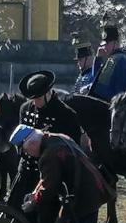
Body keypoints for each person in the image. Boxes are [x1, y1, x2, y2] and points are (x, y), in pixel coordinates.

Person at [6, 70, 82, 210]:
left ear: (48, 93)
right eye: (32, 99)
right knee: (14, 213)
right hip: (25, 171)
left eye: (38, 98)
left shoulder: (66, 114)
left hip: (49, 176)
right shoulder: (25, 109)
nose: (35, 102)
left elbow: (72, 148)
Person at [88, 14, 126, 102]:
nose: (105, 47)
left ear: (116, 42)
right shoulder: (110, 59)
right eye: (104, 44)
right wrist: (97, 59)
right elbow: (96, 81)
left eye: (108, 43)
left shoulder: (121, 59)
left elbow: (120, 90)